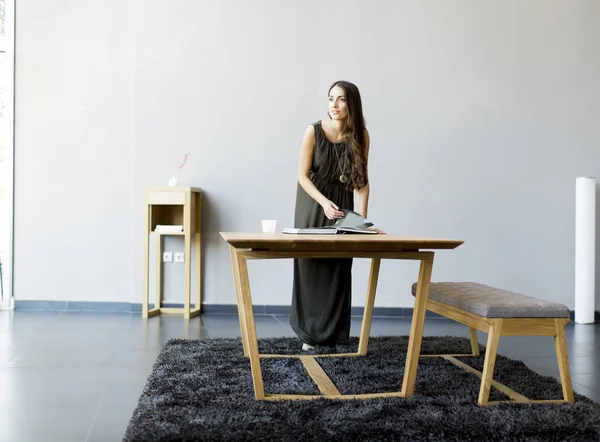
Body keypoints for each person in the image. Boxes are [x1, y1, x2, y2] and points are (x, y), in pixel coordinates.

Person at [290, 80, 381, 350]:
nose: (334, 105)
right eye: (331, 99)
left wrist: (362, 223)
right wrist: (323, 202)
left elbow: (362, 182)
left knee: (339, 265)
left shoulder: (361, 135)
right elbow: (302, 176)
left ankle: (332, 332)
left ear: (351, 104)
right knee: (311, 266)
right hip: (312, 201)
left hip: (343, 203)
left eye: (341, 99)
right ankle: (308, 334)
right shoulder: (313, 131)